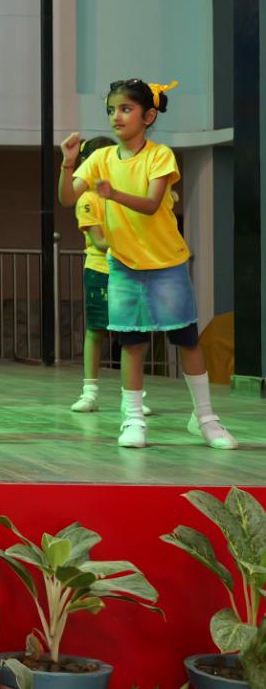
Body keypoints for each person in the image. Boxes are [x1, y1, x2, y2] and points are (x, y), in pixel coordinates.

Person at [59, 78, 236, 450]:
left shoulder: (160, 155)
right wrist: (67, 163)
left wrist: (114, 193)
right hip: (124, 266)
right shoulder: (100, 159)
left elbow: (152, 204)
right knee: (132, 343)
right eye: (111, 110)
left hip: (167, 263)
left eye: (126, 109)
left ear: (149, 116)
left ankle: (205, 419)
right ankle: (133, 420)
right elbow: (66, 198)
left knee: (186, 340)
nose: (116, 116)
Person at [70, 136, 151, 417]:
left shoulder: (124, 194)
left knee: (134, 334)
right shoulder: (87, 199)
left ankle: (133, 396)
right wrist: (134, 241)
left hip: (131, 270)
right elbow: (100, 241)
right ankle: (89, 393)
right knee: (97, 329)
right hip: (101, 271)